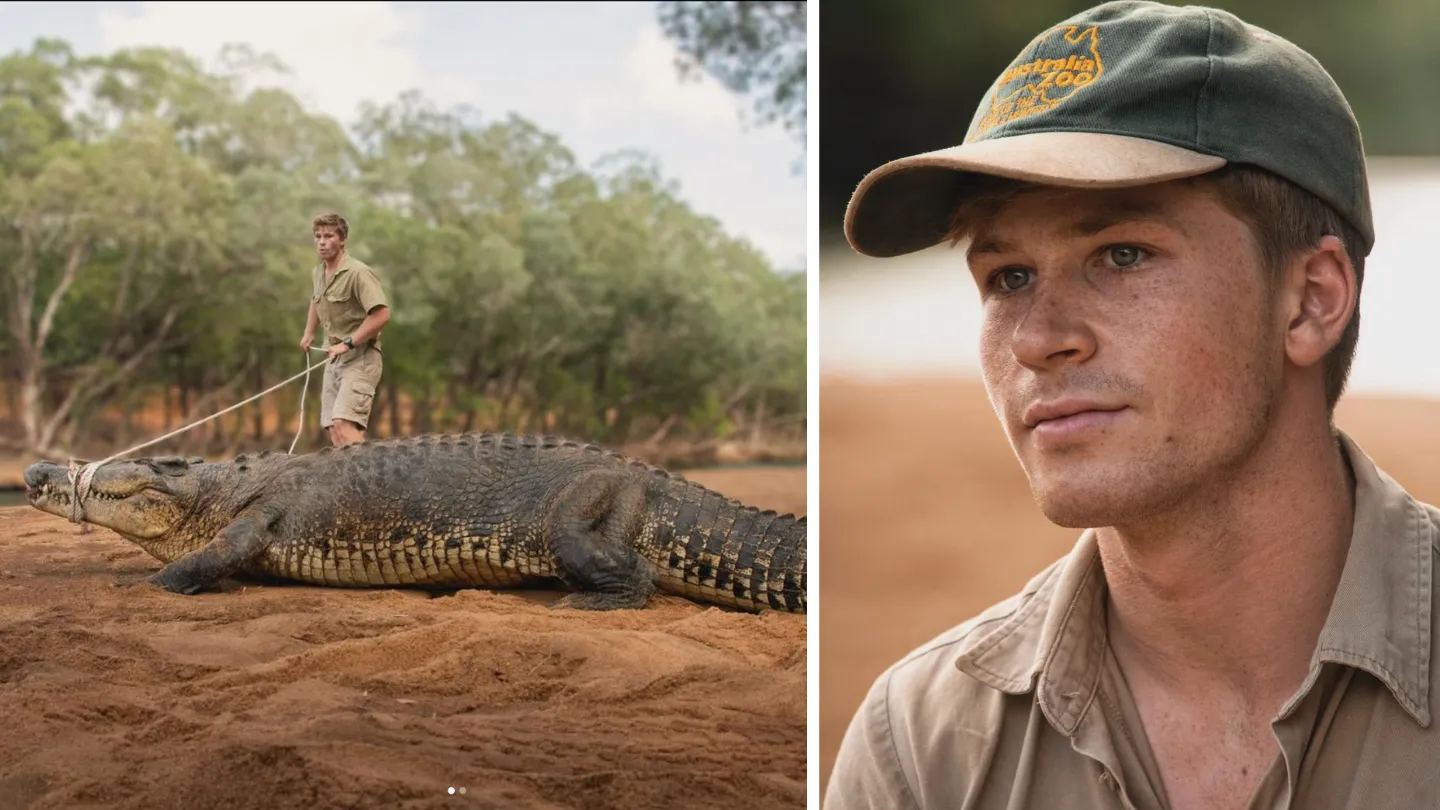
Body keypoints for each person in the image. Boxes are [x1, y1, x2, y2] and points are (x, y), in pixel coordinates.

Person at [826, 2, 1440, 809]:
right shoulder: (920, 745)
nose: (1037, 339)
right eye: (1008, 276)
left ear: (1310, 301)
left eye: (1121, 255)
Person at [299, 212, 391, 447]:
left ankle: (373, 482)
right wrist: (309, 332)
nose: (321, 241)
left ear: (341, 240)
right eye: (317, 236)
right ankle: (352, 484)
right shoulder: (318, 272)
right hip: (333, 360)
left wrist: (348, 343)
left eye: (328, 236)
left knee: (344, 424)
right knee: (333, 429)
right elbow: (315, 300)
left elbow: (381, 315)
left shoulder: (358, 272)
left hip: (361, 358)